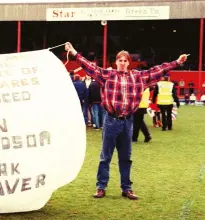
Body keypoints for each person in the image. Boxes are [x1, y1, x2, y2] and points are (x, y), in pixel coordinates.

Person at [64, 42, 188, 200]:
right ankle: (101, 187)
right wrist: (74, 52)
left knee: (126, 157)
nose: (122, 63)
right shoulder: (107, 75)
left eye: (125, 60)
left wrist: (177, 62)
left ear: (129, 63)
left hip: (128, 121)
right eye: (120, 60)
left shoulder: (138, 76)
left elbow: (159, 69)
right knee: (105, 156)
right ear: (116, 62)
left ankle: (126, 188)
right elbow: (89, 66)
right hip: (111, 120)